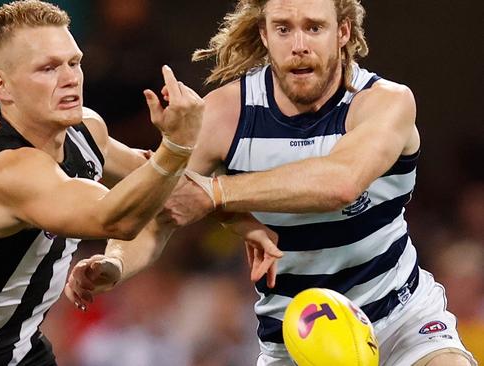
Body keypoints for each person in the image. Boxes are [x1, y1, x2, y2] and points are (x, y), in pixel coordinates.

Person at [66, 0, 478, 365]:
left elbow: (340, 182)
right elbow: (162, 207)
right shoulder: (226, 114)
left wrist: (217, 193)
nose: (299, 44)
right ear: (264, 34)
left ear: (343, 32)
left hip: (401, 320)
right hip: (297, 343)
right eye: (283, 28)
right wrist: (116, 262)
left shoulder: (385, 102)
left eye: (314, 27)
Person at [0, 0, 206, 364]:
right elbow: (116, 218)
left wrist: (249, 224)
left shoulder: (85, 129)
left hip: (15, 347)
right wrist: (176, 145)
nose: (70, 79)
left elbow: (167, 191)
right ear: (2, 87)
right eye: (47, 68)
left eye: (74, 63)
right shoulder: (7, 169)